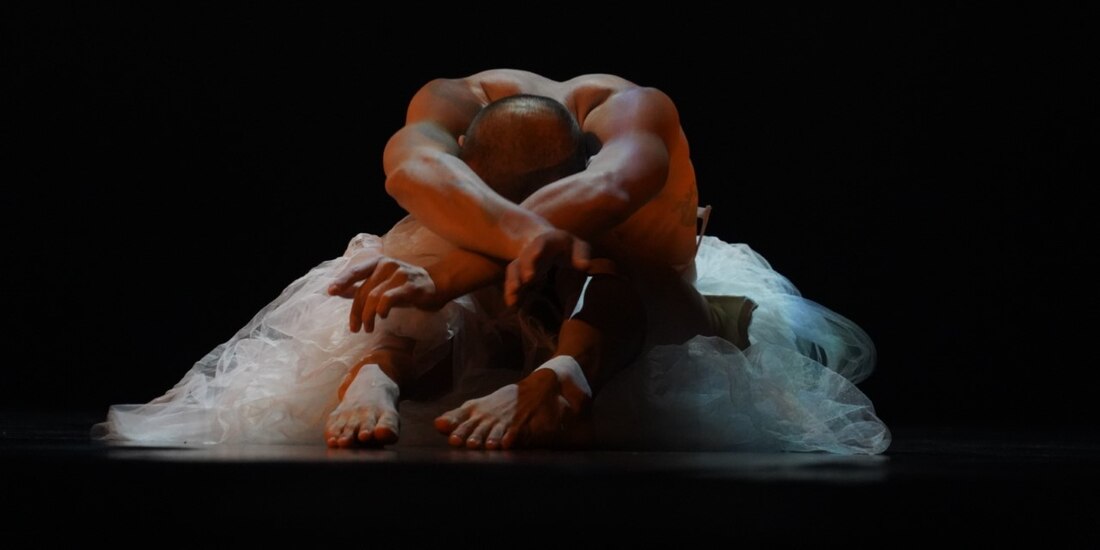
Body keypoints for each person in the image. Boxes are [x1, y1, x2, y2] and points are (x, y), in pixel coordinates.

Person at [96, 69, 891, 455]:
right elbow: (409, 168)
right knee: (412, 244)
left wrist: (463, 266)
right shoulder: (453, 102)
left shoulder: (630, 114)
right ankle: (381, 364)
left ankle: (566, 373)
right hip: (481, 270)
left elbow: (610, 190)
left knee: (608, 251)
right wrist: (457, 260)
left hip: (634, 286)